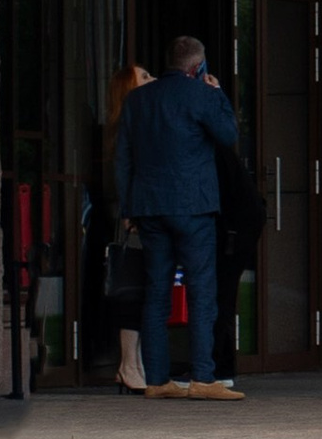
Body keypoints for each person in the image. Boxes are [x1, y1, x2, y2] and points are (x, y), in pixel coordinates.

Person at [115, 34, 242, 401]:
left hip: (149, 208)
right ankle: (203, 377)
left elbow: (123, 158)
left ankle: (157, 381)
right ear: (197, 66)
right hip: (194, 206)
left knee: (157, 293)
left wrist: (129, 209)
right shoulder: (201, 94)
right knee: (202, 291)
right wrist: (217, 93)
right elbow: (228, 134)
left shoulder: (137, 100)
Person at [91, 63, 153, 389]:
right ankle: (129, 365)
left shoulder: (128, 126)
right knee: (132, 290)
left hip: (133, 217)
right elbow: (121, 177)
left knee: (138, 290)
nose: (152, 79)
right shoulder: (125, 128)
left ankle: (134, 364)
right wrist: (130, 211)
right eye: (144, 77)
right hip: (130, 222)